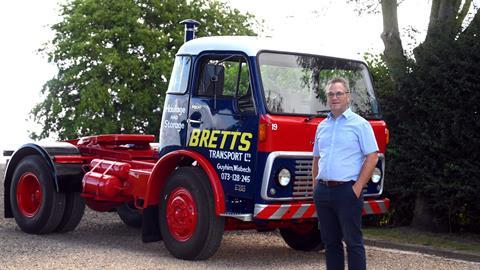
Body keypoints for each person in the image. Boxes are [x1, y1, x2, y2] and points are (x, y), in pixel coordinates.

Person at [312, 77, 379, 270]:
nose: (335, 97)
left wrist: (357, 188)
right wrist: (315, 188)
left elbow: (372, 157)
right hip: (323, 192)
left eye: (339, 93)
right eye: (331, 94)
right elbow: (316, 158)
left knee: (353, 243)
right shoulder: (322, 126)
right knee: (331, 243)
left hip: (347, 192)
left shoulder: (360, 125)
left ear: (347, 96)